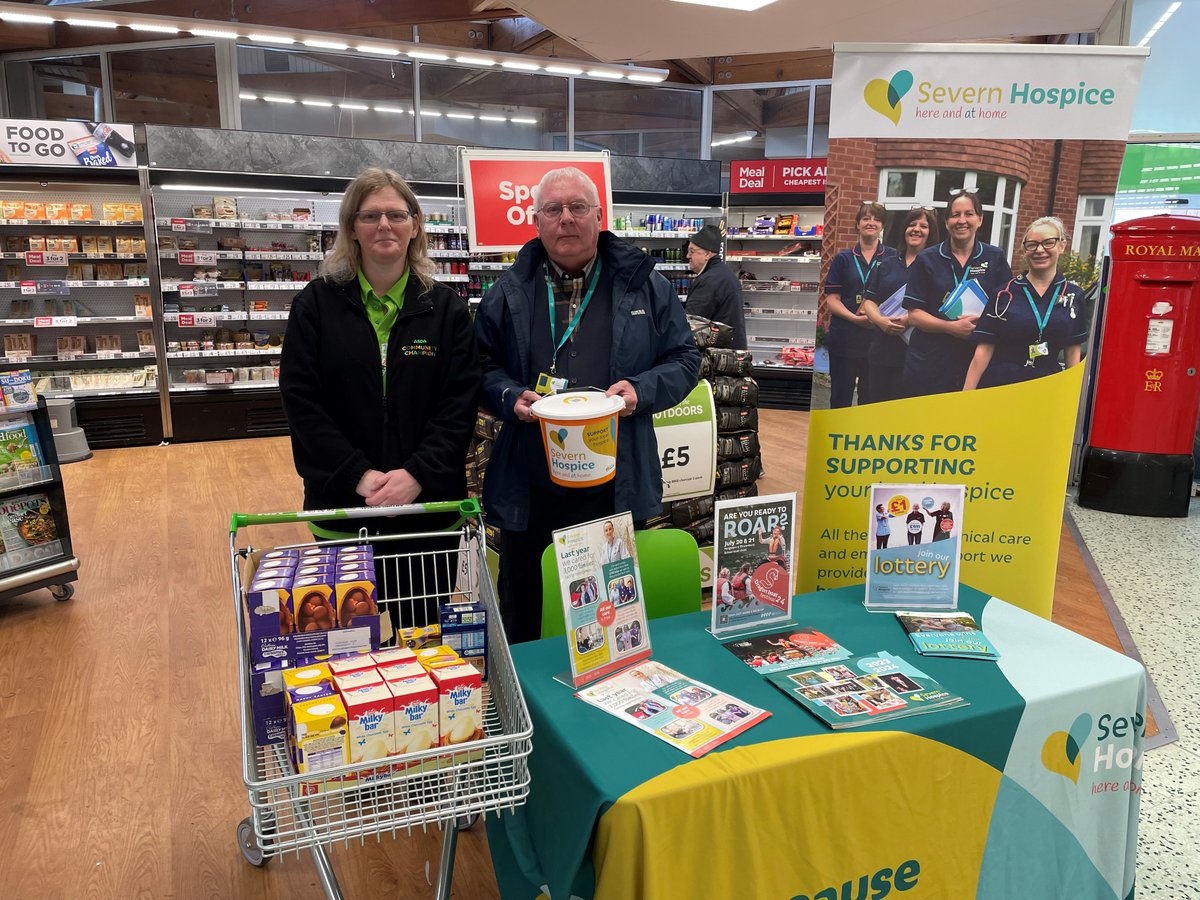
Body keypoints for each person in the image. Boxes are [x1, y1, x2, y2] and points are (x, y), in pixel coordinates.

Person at [475, 166, 701, 643]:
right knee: (527, 608)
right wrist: (510, 395)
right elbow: (479, 366)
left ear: (599, 216)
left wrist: (642, 390)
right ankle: (527, 702)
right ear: (536, 221)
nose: (566, 219)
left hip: (614, 482)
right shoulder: (508, 291)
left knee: (608, 611)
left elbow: (685, 358)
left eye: (578, 207)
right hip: (531, 484)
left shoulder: (646, 286)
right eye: (553, 209)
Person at [279, 167, 479, 605]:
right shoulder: (315, 305)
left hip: (425, 509)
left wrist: (417, 474)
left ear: (415, 226)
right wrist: (358, 476)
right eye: (370, 216)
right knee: (343, 643)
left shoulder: (446, 310)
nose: (384, 225)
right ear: (352, 227)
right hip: (343, 507)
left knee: (422, 637)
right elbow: (302, 404)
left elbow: (459, 405)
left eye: (396, 214)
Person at [902, 190, 1013, 397]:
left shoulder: (995, 258)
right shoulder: (927, 259)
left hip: (976, 363)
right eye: (955, 215)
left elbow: (1006, 308)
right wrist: (950, 327)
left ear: (980, 219)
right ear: (946, 222)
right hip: (930, 364)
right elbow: (914, 314)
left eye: (968, 214)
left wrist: (984, 319)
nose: (962, 220)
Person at [964, 216, 1088, 390]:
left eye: (1048, 243)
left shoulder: (1074, 295)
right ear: (1024, 250)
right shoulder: (1002, 294)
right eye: (1032, 245)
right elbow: (984, 350)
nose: (1039, 250)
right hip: (1002, 387)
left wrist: (1074, 394)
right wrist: (967, 396)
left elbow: (1072, 351)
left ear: (1062, 245)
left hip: (1049, 387)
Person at [859, 208, 940, 403]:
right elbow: (869, 302)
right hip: (882, 352)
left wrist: (909, 319)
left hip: (916, 356)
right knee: (875, 409)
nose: (916, 229)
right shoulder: (887, 264)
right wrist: (880, 320)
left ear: (932, 232)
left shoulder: (937, 267)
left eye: (923, 226)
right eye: (912, 224)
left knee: (904, 413)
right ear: (904, 229)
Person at [822, 201, 898, 407]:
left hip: (877, 340)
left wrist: (877, 319)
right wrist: (855, 319)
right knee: (840, 397)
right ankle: (836, 438)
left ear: (882, 226)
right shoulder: (843, 259)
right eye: (866, 218)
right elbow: (832, 299)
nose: (871, 222)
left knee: (871, 399)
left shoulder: (893, 257)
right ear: (857, 224)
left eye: (877, 219)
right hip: (845, 338)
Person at [685, 224, 746, 350]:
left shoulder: (709, 281)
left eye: (692, 251)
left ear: (707, 254)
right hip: (729, 353)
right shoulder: (723, 273)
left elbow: (692, 324)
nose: (688, 256)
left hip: (717, 358)